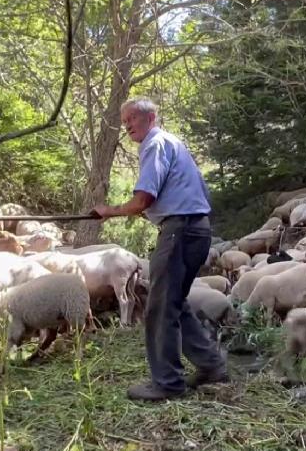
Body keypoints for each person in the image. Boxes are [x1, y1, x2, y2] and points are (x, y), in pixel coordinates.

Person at [92, 97, 228, 401]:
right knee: (175, 302)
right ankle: (211, 366)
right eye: (124, 120)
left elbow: (143, 200)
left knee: (159, 306)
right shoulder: (175, 144)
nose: (127, 125)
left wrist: (109, 211)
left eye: (132, 119)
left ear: (150, 117)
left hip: (179, 231)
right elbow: (192, 192)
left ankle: (167, 382)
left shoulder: (154, 144)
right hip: (196, 229)